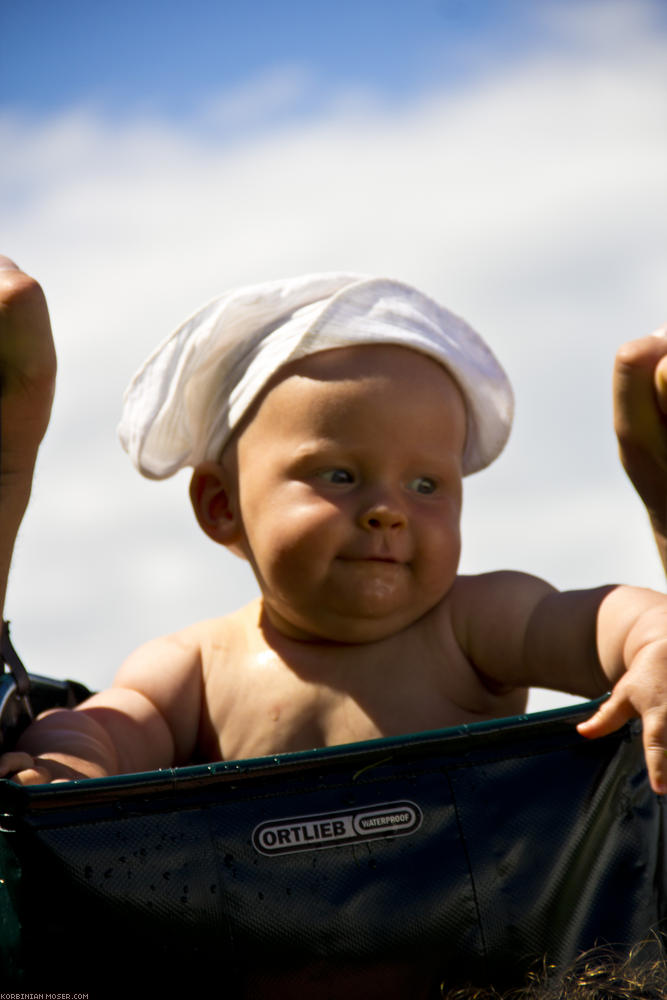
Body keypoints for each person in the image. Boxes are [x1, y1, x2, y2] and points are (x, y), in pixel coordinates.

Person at [0, 269, 666, 797]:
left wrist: (653, 644)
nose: (387, 511)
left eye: (426, 485)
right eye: (340, 475)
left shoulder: (474, 624)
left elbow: (596, 619)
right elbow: (104, 728)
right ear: (221, 506)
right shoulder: (195, 668)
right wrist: (66, 764)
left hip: (492, 955)